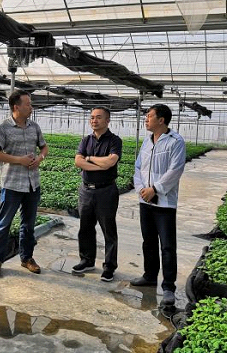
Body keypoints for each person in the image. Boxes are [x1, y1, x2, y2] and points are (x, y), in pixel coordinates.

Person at [0, 90, 49, 277]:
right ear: (16, 107)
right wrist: (19, 160)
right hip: (12, 184)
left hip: (32, 184)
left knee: (28, 225)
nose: (31, 107)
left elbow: (44, 147)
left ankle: (27, 258)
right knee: (4, 223)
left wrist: (40, 158)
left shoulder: (34, 126)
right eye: (28, 104)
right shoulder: (3, 127)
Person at [131, 104, 186, 306]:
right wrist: (141, 189)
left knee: (167, 246)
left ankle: (168, 287)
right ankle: (149, 276)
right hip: (145, 200)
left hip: (164, 203)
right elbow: (138, 167)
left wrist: (155, 189)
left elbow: (175, 170)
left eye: (149, 116)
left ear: (161, 120)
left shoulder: (175, 141)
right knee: (149, 241)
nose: (146, 119)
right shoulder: (147, 141)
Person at [73, 107, 122, 282]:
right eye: (92, 117)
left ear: (107, 120)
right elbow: (78, 161)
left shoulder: (114, 140)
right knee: (85, 227)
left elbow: (111, 162)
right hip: (86, 190)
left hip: (106, 191)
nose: (94, 120)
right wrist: (100, 165)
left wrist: (89, 158)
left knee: (108, 229)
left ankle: (109, 266)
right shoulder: (86, 140)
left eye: (98, 117)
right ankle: (87, 260)